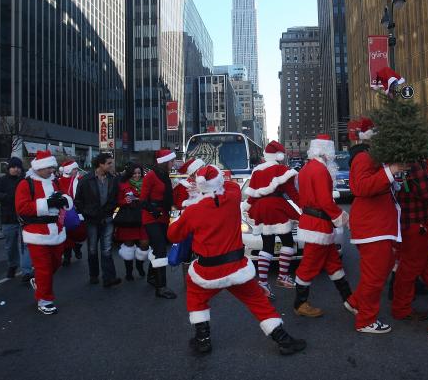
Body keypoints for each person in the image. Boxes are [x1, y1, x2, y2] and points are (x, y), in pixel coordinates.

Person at [167, 164, 306, 355]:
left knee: (195, 298)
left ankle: (203, 339)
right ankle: (283, 340)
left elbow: (173, 235)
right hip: (237, 268)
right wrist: (206, 189)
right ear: (218, 182)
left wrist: (193, 199)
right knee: (258, 301)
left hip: (207, 271)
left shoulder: (194, 211)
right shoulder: (232, 197)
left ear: (200, 186)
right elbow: (229, 185)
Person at [344, 118, 403, 333]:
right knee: (375, 277)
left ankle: (355, 302)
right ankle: (366, 320)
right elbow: (360, 187)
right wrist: (392, 170)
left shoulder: (369, 157)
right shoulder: (363, 157)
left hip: (379, 226)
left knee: (381, 269)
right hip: (373, 228)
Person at [293, 135, 351, 319]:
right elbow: (326, 201)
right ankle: (300, 303)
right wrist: (341, 217)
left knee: (333, 263)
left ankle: (350, 299)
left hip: (313, 223)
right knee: (309, 265)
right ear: (326, 151)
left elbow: (302, 198)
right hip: (318, 225)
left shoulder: (306, 170)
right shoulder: (320, 170)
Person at [15, 150, 72, 315]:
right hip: (36, 232)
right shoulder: (26, 184)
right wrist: (47, 203)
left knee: (56, 263)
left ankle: (38, 281)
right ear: (38, 168)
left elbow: (65, 197)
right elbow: (22, 208)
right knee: (44, 268)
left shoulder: (54, 182)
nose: (51, 171)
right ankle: (45, 300)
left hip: (56, 230)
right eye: (47, 168)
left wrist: (64, 200)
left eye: (52, 168)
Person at [244, 141, 301, 298]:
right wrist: (303, 207)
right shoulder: (280, 169)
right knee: (288, 242)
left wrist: (246, 208)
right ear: (279, 155)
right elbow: (292, 193)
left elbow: (251, 196)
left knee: (267, 246)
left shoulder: (256, 171)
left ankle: (263, 283)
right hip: (276, 207)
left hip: (261, 209)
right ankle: (282, 276)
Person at [391, 159, 428, 321]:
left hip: (408, 221)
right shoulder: (415, 163)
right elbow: (425, 192)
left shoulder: (400, 162)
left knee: (427, 264)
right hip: (418, 222)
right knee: (410, 268)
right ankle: (401, 308)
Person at [74, 152, 121, 288]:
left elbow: (115, 198)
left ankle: (109, 278)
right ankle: (93, 275)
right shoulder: (86, 179)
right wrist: (87, 213)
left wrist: (111, 210)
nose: (112, 165)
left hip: (107, 218)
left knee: (106, 249)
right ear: (100, 164)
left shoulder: (113, 179)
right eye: (109, 163)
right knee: (92, 248)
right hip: (92, 220)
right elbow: (78, 200)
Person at [140, 149, 177, 299]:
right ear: (164, 162)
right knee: (161, 249)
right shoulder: (151, 176)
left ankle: (152, 277)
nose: (173, 163)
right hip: (151, 217)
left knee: (158, 248)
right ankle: (161, 287)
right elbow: (143, 199)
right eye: (171, 161)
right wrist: (153, 210)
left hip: (163, 216)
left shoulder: (165, 175)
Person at [0, 157, 33, 281]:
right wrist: (7, 197)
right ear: (9, 168)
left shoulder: (25, 180)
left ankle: (26, 271)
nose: (16, 169)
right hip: (8, 218)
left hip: (24, 218)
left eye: (18, 167)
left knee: (25, 245)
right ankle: (13, 265)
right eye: (14, 167)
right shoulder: (2, 181)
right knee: (10, 245)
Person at [114, 162, 148, 281]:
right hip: (128, 218)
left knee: (144, 243)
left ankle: (139, 264)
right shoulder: (122, 184)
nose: (137, 175)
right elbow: (117, 201)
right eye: (134, 173)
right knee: (128, 246)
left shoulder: (146, 184)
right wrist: (125, 201)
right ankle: (129, 272)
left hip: (143, 217)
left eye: (139, 173)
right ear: (130, 174)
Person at [58, 160, 86, 265]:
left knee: (80, 233)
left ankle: (77, 247)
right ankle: (67, 256)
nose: (76, 170)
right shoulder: (59, 181)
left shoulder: (80, 180)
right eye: (74, 169)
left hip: (77, 210)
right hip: (64, 211)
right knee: (66, 235)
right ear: (68, 170)